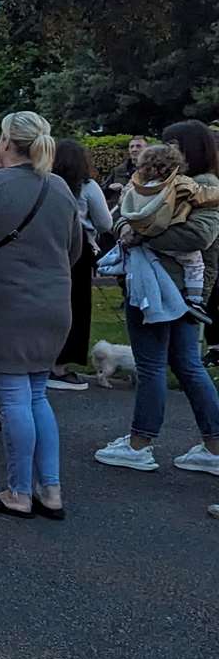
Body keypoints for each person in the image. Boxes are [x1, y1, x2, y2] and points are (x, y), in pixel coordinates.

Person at [0, 112, 82, 519]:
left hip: (4, 303)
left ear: (7, 141)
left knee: (12, 398)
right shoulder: (59, 187)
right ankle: (52, 488)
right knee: (38, 394)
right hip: (54, 302)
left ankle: (19, 491)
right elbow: (75, 247)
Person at [95, 121, 219, 475]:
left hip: (166, 288)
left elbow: (199, 235)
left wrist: (141, 236)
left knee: (152, 365)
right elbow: (122, 217)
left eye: (171, 145)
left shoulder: (204, 187)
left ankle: (140, 443)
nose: (166, 152)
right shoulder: (165, 184)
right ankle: (213, 445)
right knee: (186, 365)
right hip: (174, 286)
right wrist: (127, 228)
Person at [113, 144, 219, 320]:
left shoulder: (136, 187)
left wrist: (129, 228)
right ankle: (195, 299)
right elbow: (202, 195)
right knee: (195, 263)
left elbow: (120, 208)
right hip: (164, 234)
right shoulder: (180, 183)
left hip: (142, 239)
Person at [50, 139, 112, 389]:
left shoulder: (46, 183)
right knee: (75, 306)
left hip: (47, 248)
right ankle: (60, 363)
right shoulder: (87, 187)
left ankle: (41, 357)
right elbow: (105, 223)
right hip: (79, 250)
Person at [104, 135, 150, 209]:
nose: (134, 149)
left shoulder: (152, 171)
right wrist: (110, 188)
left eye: (138, 146)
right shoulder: (118, 170)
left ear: (147, 149)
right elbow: (103, 194)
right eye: (131, 147)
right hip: (118, 212)